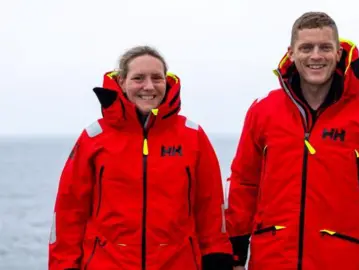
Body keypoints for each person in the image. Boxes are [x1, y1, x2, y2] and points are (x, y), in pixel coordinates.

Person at [225, 12, 359, 270]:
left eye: (325, 48)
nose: (316, 56)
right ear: (292, 53)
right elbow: (243, 186)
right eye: (306, 48)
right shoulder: (263, 111)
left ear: (338, 54)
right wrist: (235, 254)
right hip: (272, 261)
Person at [48, 45, 233, 270]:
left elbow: (211, 208)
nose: (148, 86)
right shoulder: (94, 138)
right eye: (138, 78)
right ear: (122, 82)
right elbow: (70, 211)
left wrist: (217, 257)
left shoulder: (193, 137)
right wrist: (64, 265)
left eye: (157, 78)